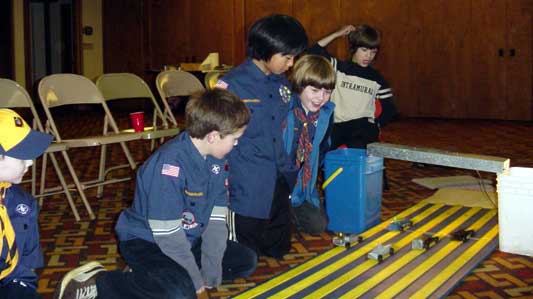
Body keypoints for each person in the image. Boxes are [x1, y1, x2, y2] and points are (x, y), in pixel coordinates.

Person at [54, 89, 256, 299]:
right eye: (235, 138)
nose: (236, 143)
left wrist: (210, 274)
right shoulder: (168, 167)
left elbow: (216, 218)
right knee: (179, 293)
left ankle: (154, 276)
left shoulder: (216, 158)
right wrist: (197, 288)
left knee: (244, 260)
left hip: (187, 237)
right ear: (213, 136)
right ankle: (101, 283)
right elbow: (169, 239)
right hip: (147, 241)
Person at [215, 14, 308, 259]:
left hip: (277, 175)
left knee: (279, 249)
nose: (291, 63)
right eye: (287, 57)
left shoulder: (281, 85)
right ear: (266, 49)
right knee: (244, 258)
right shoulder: (232, 86)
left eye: (293, 57)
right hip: (246, 181)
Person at [307, 24, 397, 149]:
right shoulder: (338, 67)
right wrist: (337, 34)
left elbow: (390, 109)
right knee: (318, 148)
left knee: (359, 143)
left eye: (373, 52)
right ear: (354, 48)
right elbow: (313, 52)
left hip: (362, 127)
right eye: (364, 50)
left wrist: (376, 123)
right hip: (337, 125)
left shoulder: (377, 79)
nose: (368, 56)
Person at [0, 108, 54, 299]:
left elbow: (28, 257)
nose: (31, 162)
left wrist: (23, 286)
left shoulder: (23, 204)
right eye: (23, 155)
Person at [283, 55, 336, 234]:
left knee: (318, 226)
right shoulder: (285, 109)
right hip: (278, 183)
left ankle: (293, 209)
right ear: (299, 86)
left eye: (327, 92)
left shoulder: (325, 115)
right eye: (314, 90)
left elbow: (322, 149)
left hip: (302, 187)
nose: (321, 98)